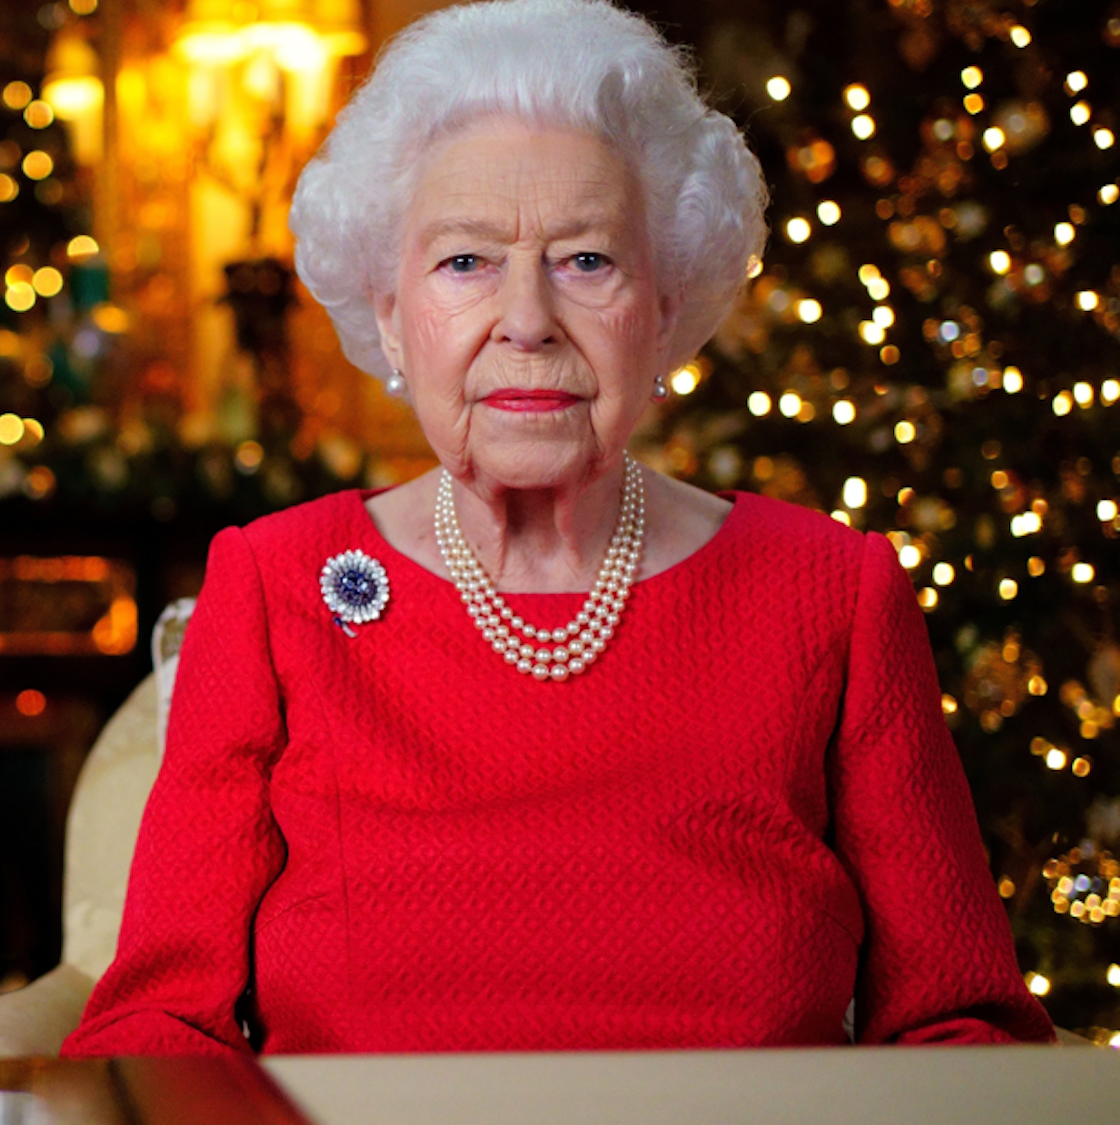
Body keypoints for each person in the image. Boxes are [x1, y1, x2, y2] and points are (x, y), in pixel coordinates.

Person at [63, 0, 1054, 1056]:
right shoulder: (274, 585)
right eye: (465, 262)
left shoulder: (826, 591)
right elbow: (157, 1027)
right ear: (390, 314)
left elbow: (961, 1027)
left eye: (586, 260)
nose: (528, 321)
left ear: (663, 308)